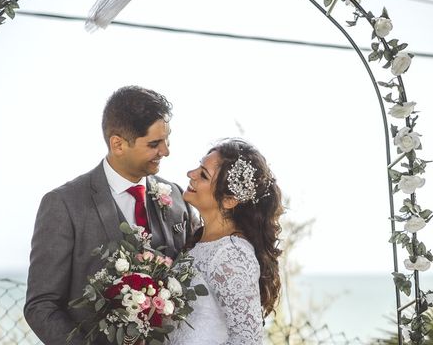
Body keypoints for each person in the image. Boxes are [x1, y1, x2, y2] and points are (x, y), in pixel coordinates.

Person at [24, 86, 196, 345]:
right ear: (118, 144)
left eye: (167, 139)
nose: (166, 151)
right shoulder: (64, 204)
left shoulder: (175, 196)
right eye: (154, 144)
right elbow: (41, 305)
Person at [169, 138, 284, 345]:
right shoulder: (199, 241)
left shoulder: (232, 254)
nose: (191, 174)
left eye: (203, 175)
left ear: (230, 200)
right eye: (198, 167)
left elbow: (247, 340)